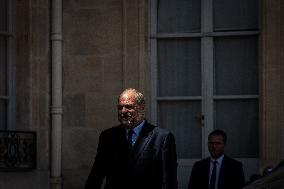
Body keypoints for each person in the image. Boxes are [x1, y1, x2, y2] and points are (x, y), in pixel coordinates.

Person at [85, 88, 178, 189]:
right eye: (120, 107)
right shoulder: (108, 137)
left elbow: (169, 181)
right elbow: (96, 175)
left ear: (142, 108)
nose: (123, 111)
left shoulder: (162, 138)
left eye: (129, 107)